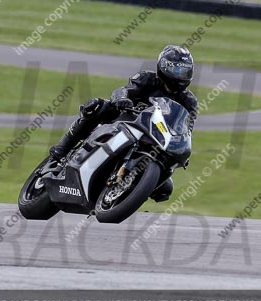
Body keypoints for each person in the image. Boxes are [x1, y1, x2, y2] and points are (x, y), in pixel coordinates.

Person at [49, 45, 198, 202]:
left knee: (166, 188)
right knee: (97, 106)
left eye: (185, 71)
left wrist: (182, 146)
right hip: (126, 120)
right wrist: (122, 99)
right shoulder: (147, 78)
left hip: (155, 138)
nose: (180, 75)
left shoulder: (189, 101)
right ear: (163, 66)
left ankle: (124, 191)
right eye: (176, 70)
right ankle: (61, 150)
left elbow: (186, 128)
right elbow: (124, 90)